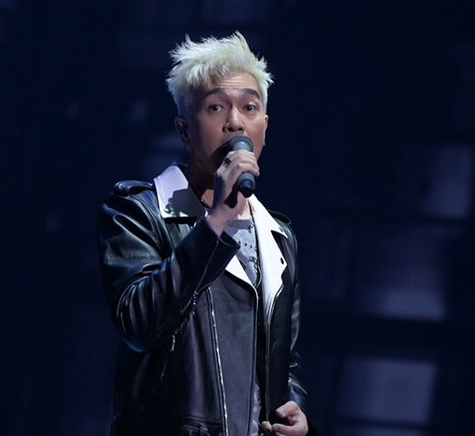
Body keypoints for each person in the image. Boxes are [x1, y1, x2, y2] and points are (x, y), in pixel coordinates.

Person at [98, 32, 314, 436]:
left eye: (249, 107)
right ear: (184, 130)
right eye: (216, 107)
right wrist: (214, 223)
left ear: (264, 128)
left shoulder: (279, 237)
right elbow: (138, 322)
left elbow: (283, 360)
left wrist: (295, 409)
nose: (235, 121)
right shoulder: (139, 211)